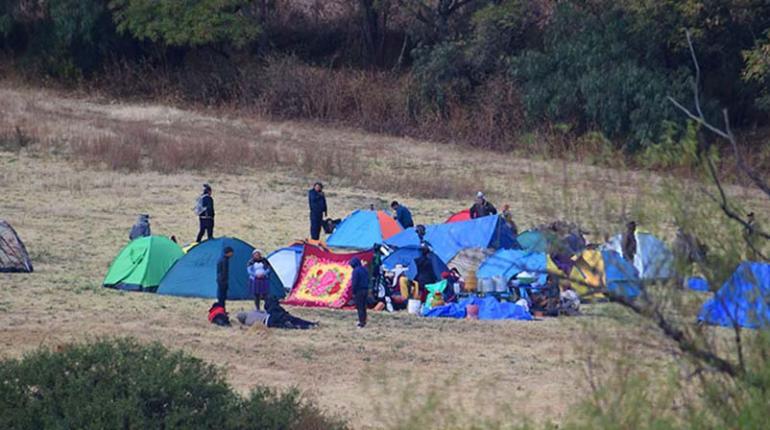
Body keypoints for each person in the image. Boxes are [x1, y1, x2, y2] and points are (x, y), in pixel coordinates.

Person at [350, 257, 370, 328]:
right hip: (365, 289)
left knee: (360, 307)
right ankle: (364, 320)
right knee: (364, 307)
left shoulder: (355, 271)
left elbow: (354, 282)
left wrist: (353, 291)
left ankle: (361, 323)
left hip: (359, 290)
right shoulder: (365, 269)